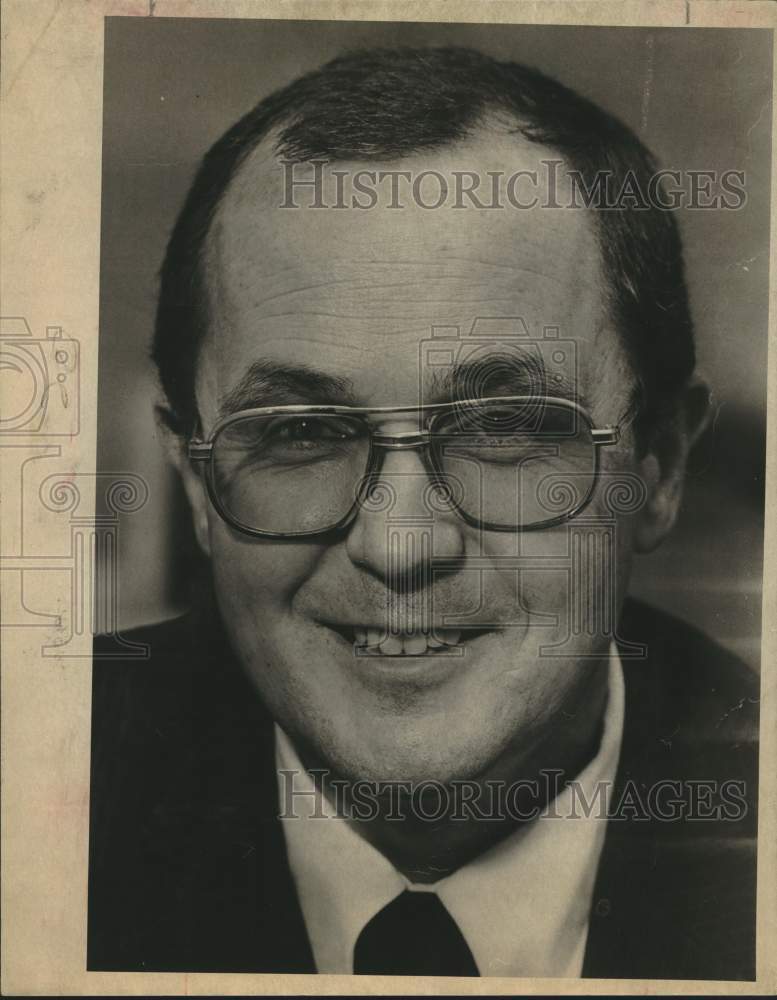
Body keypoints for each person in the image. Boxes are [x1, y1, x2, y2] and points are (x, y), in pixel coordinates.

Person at [88, 46, 758, 980]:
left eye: (505, 429)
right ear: (196, 484)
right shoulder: (45, 789)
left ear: (661, 466)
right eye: (302, 432)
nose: (399, 547)